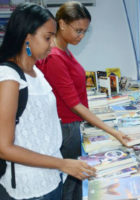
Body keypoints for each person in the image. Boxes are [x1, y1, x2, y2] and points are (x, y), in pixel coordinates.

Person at [36, 2, 131, 200]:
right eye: (78, 30)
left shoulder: (65, 51)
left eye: (85, 32)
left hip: (71, 125)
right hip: (66, 128)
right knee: (69, 183)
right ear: (61, 24)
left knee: (73, 183)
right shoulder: (55, 57)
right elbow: (73, 104)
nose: (81, 36)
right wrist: (113, 131)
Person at [0, 3, 94, 200]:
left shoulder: (37, 73)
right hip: (30, 186)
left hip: (51, 177)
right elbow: (4, 147)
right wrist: (62, 164)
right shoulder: (9, 78)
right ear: (27, 37)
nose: (52, 44)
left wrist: (59, 165)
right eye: (47, 37)